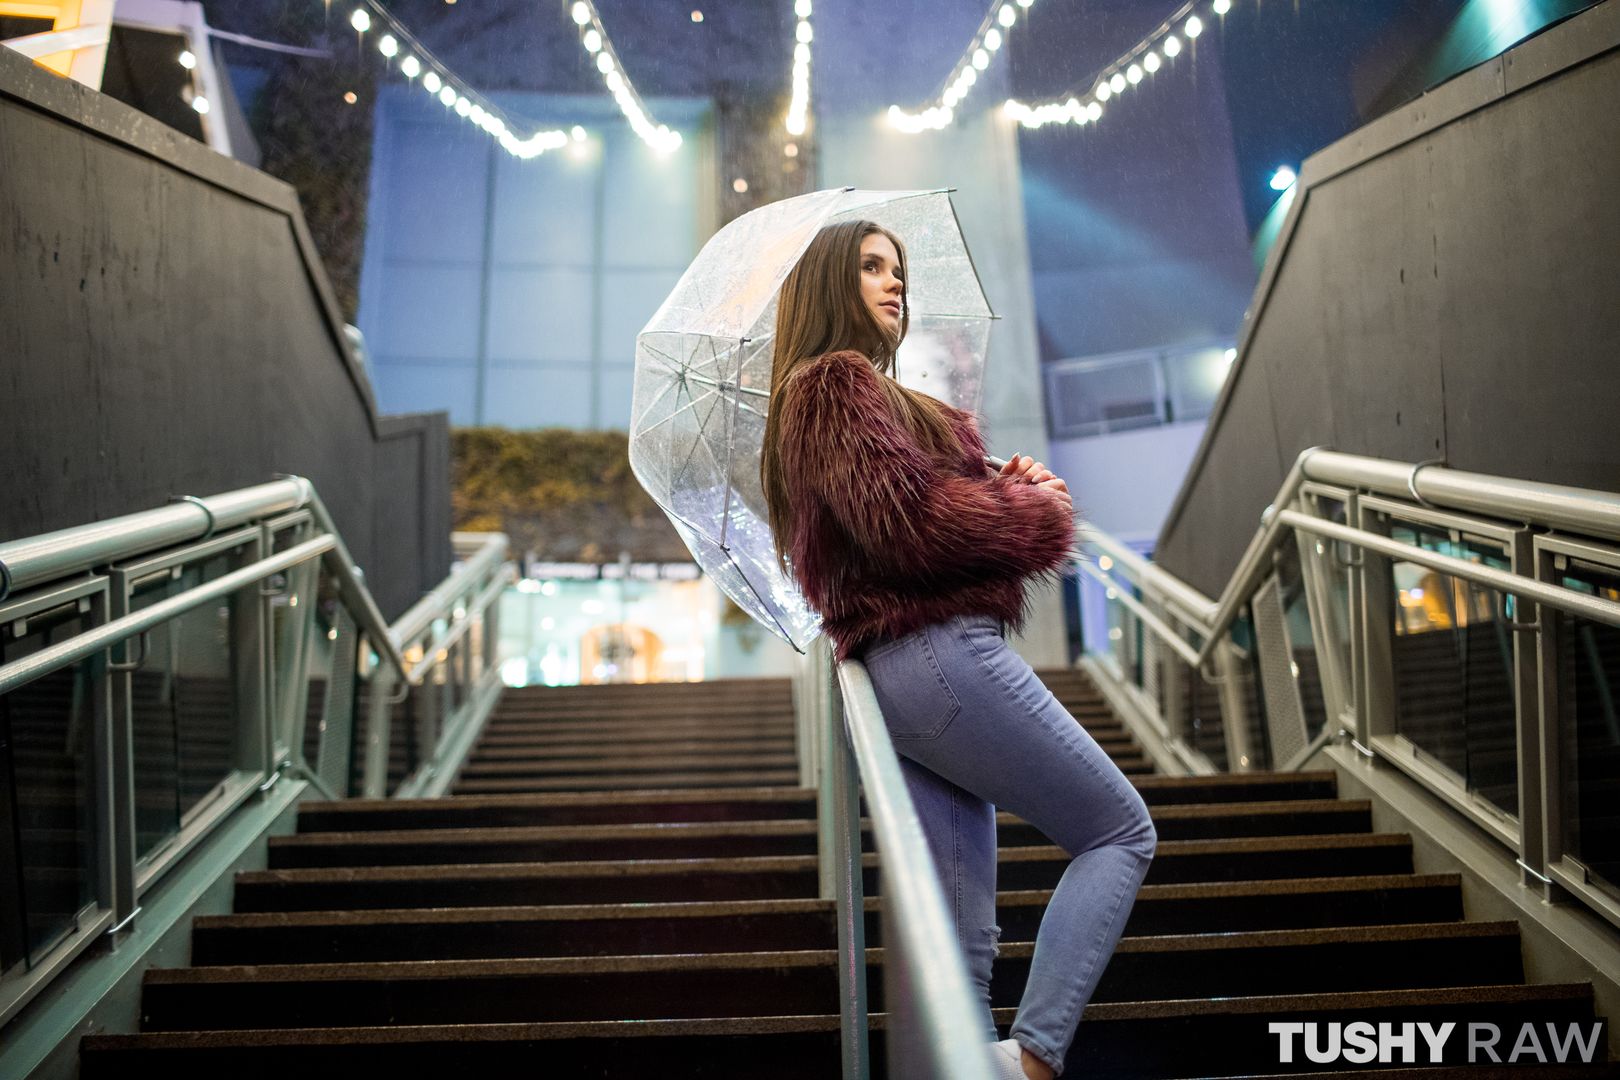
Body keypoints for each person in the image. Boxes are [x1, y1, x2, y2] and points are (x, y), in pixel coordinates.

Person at [760, 219, 1157, 1080]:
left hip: (905, 675)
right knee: (1120, 832)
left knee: (961, 937)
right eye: (870, 267)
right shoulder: (832, 383)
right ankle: (1037, 1058)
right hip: (941, 654)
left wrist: (1001, 485)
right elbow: (912, 527)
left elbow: (904, 509)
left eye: (897, 268)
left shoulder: (863, 398)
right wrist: (1036, 514)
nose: (893, 282)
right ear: (828, 284)